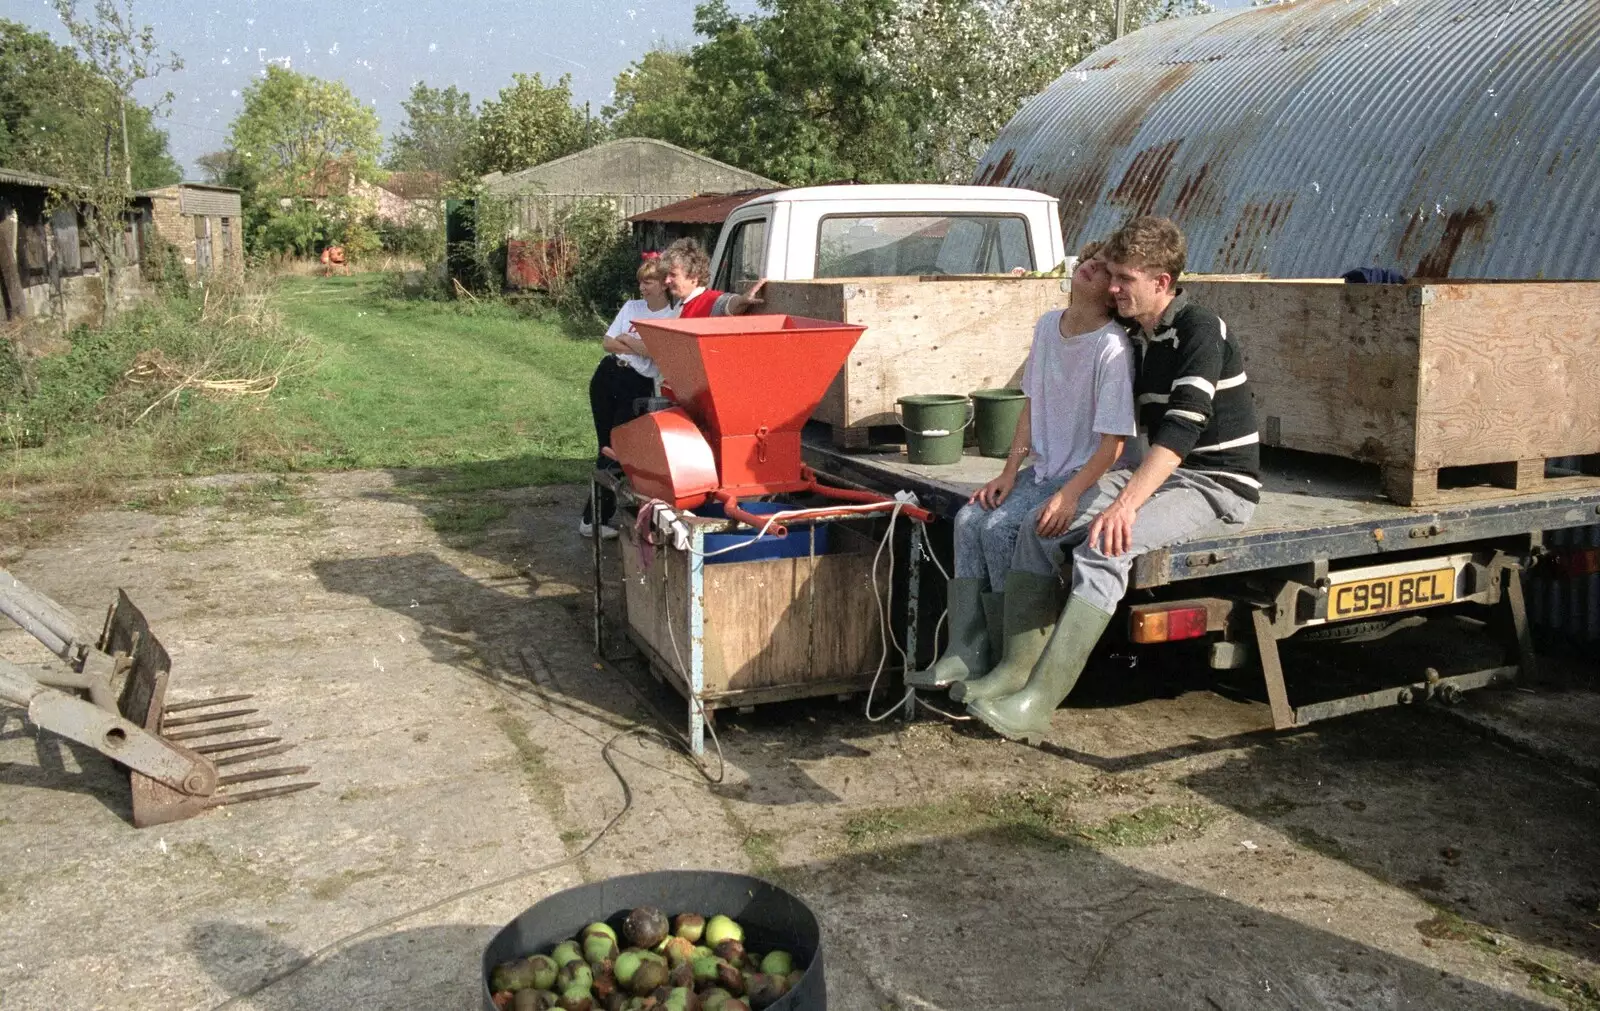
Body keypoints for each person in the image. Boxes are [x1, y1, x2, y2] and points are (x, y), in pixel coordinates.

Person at [966, 215, 1261, 744]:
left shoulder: (1200, 329)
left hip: (1214, 481)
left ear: (1162, 283)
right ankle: (1014, 673)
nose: (1114, 287)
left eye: (1125, 278)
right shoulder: (1135, 334)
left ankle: (1040, 702)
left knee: (1106, 542)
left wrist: (1123, 504)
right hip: (1165, 475)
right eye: (1113, 276)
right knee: (1041, 523)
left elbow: (1182, 428)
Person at [908, 243, 1137, 693]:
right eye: (1090, 259)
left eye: (1104, 268)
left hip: (1086, 474)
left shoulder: (1113, 347)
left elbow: (1114, 446)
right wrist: (1009, 471)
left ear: (1112, 293)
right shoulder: (1048, 326)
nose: (1089, 266)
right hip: (1043, 469)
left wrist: (1070, 495)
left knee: (1000, 529)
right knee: (970, 517)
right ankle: (966, 651)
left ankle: (1009, 666)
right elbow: (1030, 405)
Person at [581, 253, 677, 539]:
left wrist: (629, 341)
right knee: (606, 446)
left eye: (649, 282)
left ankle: (594, 518)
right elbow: (607, 342)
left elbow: (658, 354)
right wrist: (638, 346)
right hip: (608, 374)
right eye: (641, 282)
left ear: (663, 284)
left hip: (637, 383)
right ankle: (594, 519)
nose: (643, 288)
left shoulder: (672, 315)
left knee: (618, 448)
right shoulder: (632, 306)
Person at [658, 237, 766, 318]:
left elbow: (727, 304)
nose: (667, 280)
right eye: (666, 275)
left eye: (673, 275)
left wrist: (742, 300)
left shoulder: (711, 300)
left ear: (693, 276)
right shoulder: (680, 305)